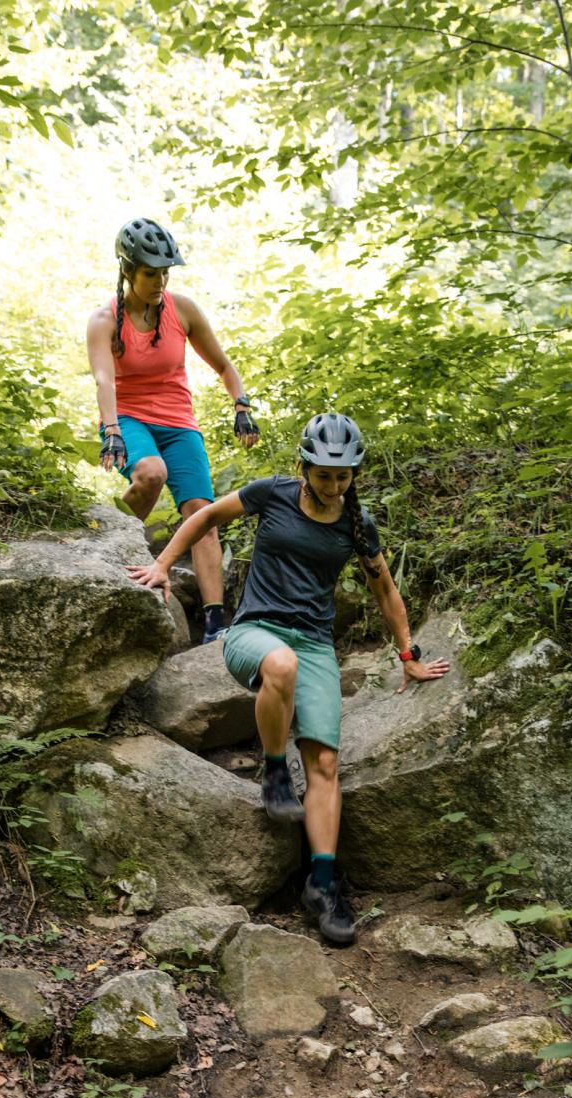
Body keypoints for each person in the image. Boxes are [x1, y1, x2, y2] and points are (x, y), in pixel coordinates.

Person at [129, 412, 450, 946]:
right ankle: (274, 772)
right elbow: (205, 516)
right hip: (255, 631)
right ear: (305, 467)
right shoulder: (271, 494)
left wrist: (408, 653)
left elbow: (386, 592)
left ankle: (322, 883)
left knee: (324, 761)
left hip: (317, 643)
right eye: (324, 474)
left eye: (343, 475)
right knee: (281, 665)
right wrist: (163, 564)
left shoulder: (356, 524)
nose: (333, 485)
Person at [87, 217, 260, 643]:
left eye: (165, 272)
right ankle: (114, 542)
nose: (160, 281)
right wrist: (111, 430)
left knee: (203, 512)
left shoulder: (182, 310)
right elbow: (105, 381)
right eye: (151, 273)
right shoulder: (104, 319)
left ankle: (216, 622)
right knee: (150, 473)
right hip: (126, 417)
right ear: (127, 270)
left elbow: (223, 365)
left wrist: (242, 405)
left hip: (178, 420)